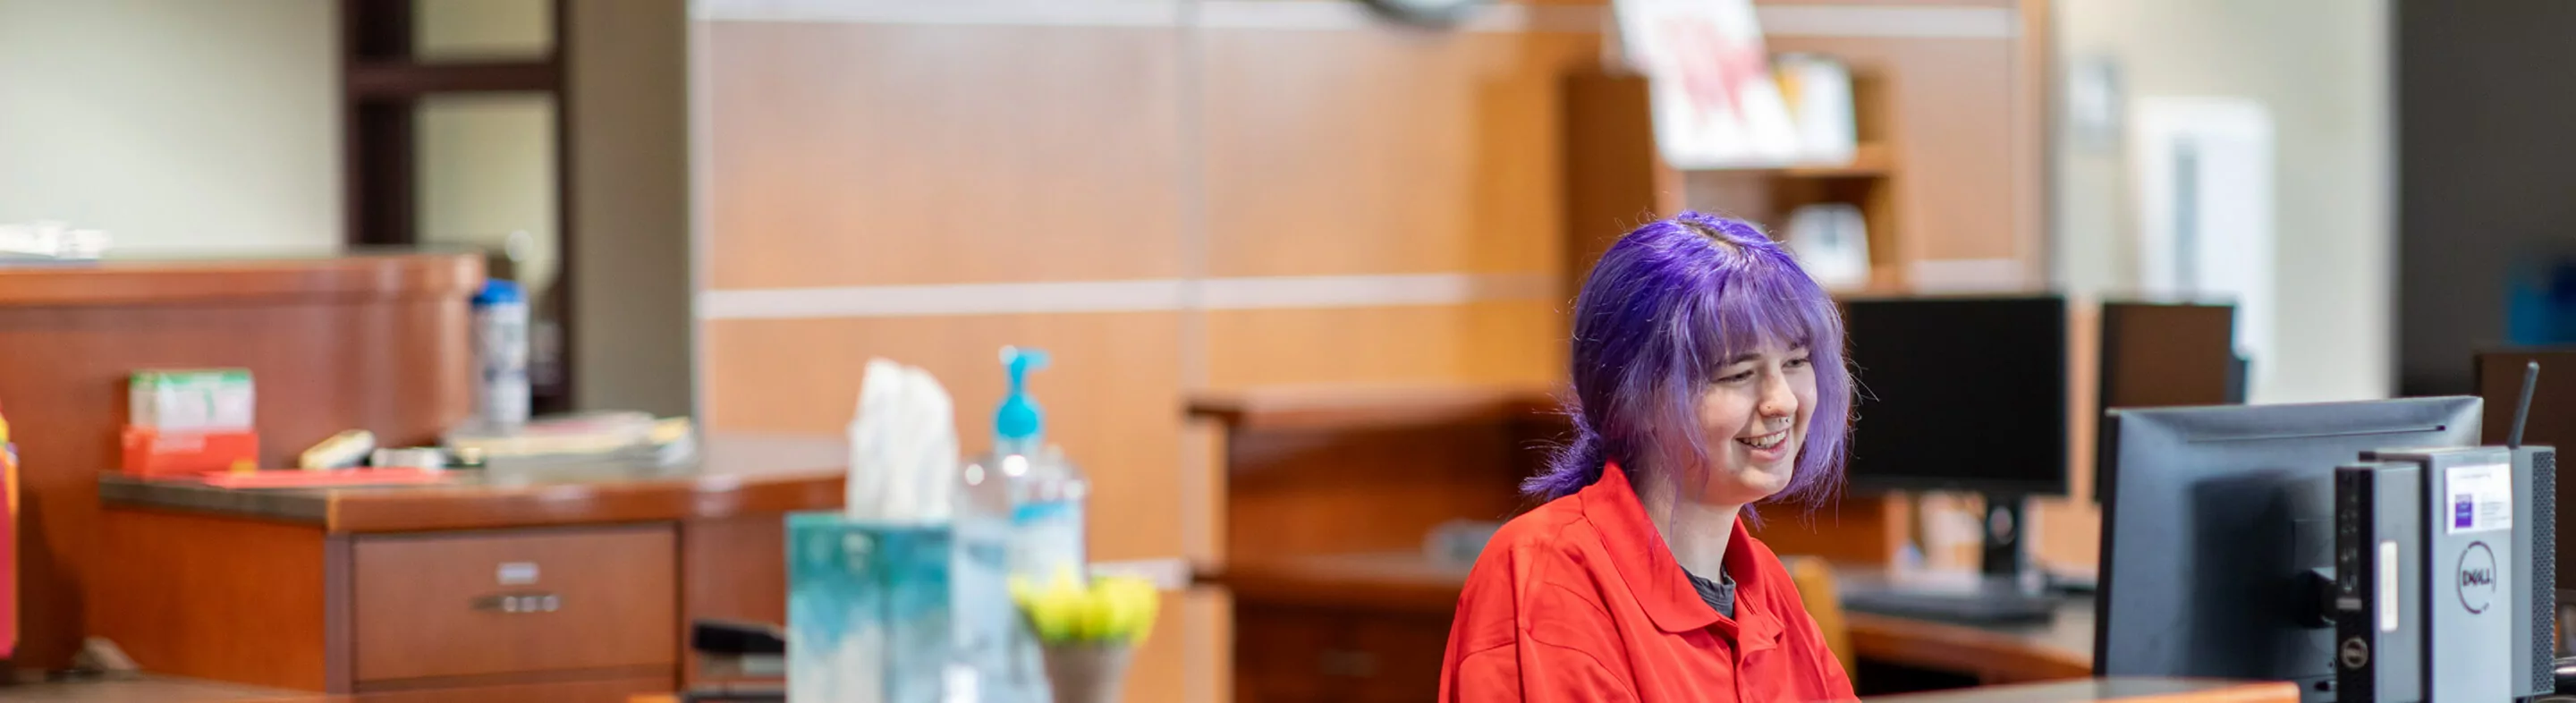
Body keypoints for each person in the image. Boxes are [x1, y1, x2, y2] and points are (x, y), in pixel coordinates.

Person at [1438, 212, 1857, 701]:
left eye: (1795, 362)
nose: (1782, 400)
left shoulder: (1769, 590)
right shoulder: (1545, 574)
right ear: (1634, 397)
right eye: (1737, 374)